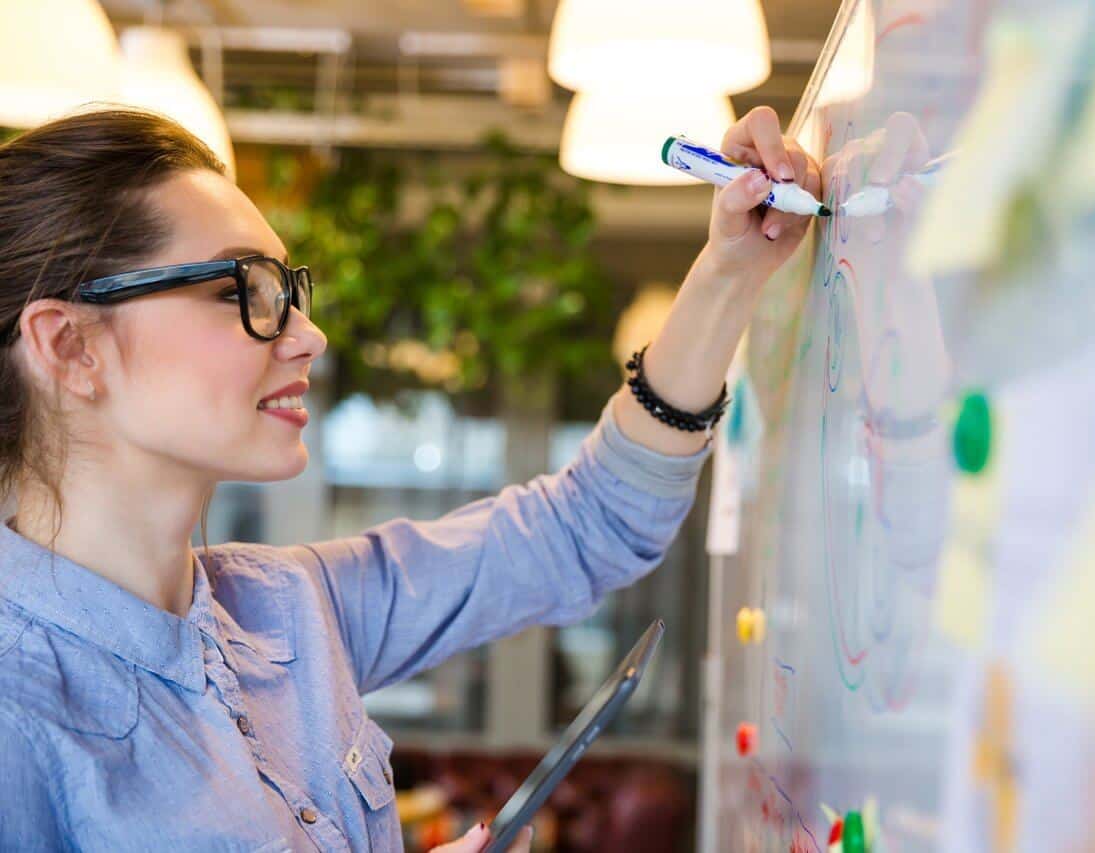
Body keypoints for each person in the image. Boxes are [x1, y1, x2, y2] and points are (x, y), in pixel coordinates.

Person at [0, 105, 820, 851]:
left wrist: (729, 270)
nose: (308, 334)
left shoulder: (287, 608)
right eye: (240, 291)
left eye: (289, 290)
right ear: (71, 348)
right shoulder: (17, 715)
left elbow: (589, 527)